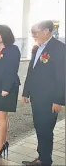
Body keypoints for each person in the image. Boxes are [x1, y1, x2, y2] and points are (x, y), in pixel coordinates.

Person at [21, 20, 65, 166]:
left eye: (35, 32)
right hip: (36, 97)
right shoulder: (37, 48)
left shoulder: (59, 48)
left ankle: (45, 161)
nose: (33, 35)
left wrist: (59, 100)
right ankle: (41, 158)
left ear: (46, 31)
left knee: (46, 130)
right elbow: (31, 71)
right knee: (40, 127)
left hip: (50, 99)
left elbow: (62, 75)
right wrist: (26, 92)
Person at [0, 25, 21, 157]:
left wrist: (6, 88)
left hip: (6, 87)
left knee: (1, 117)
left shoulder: (13, 49)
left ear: (6, 34)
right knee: (2, 117)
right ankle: (4, 142)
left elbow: (12, 69)